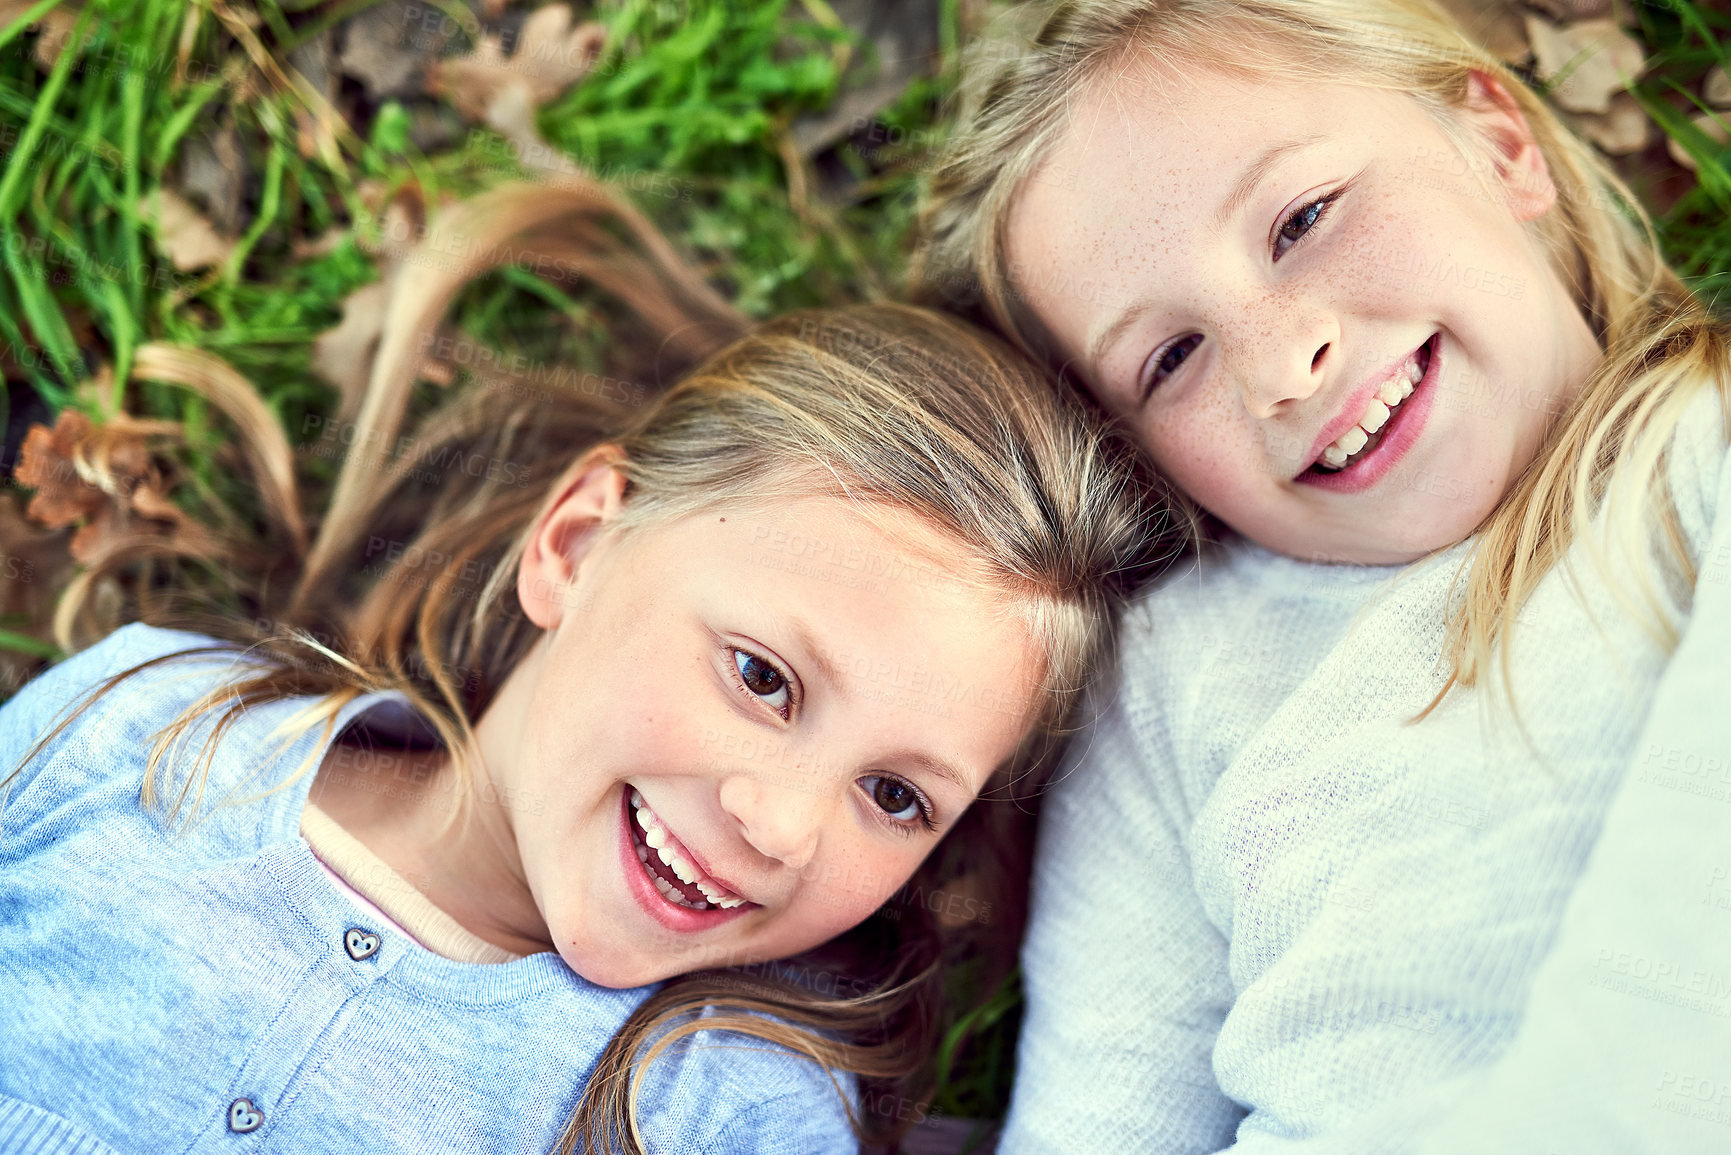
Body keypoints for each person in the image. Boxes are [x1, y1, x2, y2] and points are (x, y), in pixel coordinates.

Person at [0, 177, 1168, 1154]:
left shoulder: (725, 1111)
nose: (779, 826)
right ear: (576, 545)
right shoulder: (152, 721)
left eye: (895, 796)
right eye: (763, 679)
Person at [914, 0, 1731, 1151]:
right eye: (1171, 358)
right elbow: (1100, 1118)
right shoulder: (1170, 676)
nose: (1280, 366)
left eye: (1301, 219)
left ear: (1499, 144)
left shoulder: (1703, 458)